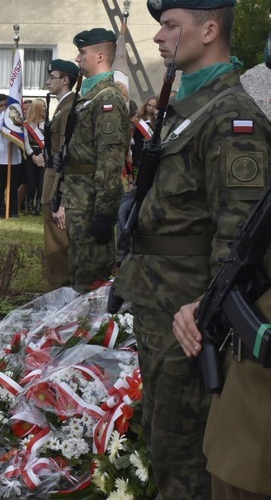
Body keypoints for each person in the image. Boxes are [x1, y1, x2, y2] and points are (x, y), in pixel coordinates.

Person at [117, 0, 271, 497]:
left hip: (191, 314)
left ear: (209, 30)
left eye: (170, 25)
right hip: (160, 301)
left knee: (186, 454)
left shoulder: (233, 116)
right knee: (166, 440)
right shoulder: (189, 104)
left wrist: (209, 310)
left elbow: (242, 232)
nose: (159, 36)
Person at [63, 28, 129, 292]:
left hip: (92, 202)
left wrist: (104, 211)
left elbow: (110, 161)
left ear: (100, 55)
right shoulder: (87, 98)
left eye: (83, 52)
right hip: (79, 198)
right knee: (79, 269)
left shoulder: (108, 99)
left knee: (92, 278)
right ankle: (76, 329)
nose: (78, 59)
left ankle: (91, 331)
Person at [42, 59, 78, 289]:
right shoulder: (63, 107)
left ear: (65, 80)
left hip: (58, 184)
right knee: (54, 244)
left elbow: (66, 156)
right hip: (52, 180)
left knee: (58, 245)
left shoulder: (69, 109)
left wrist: (62, 199)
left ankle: (61, 296)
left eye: (52, 77)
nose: (47, 81)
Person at [0, 94, 23, 218]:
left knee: (13, 186)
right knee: (0, 186)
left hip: (14, 158)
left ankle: (13, 210)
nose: (4, 107)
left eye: (6, 105)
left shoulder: (15, 117)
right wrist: (4, 114)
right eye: (1, 105)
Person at [23, 99, 47, 216]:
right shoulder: (27, 124)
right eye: (42, 106)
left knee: (41, 182)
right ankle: (30, 205)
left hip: (44, 153)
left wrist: (43, 154)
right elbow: (26, 142)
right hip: (31, 154)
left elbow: (49, 141)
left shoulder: (47, 123)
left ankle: (39, 205)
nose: (44, 108)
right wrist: (32, 155)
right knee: (31, 181)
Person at [129, 95, 158, 181]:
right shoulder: (138, 118)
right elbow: (131, 133)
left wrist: (157, 116)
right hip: (137, 148)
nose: (150, 108)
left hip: (150, 150)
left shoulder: (158, 120)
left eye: (154, 106)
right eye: (149, 105)